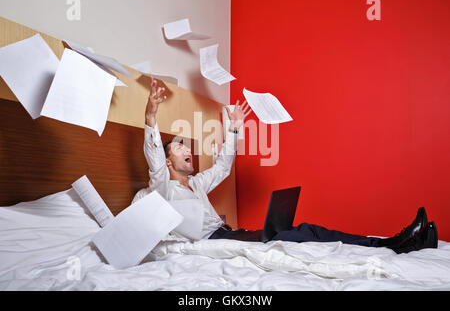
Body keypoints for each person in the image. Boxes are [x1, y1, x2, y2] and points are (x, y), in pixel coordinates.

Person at [132, 77, 438, 254]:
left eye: (187, 144)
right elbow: (155, 162)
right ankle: (394, 246)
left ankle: (392, 243)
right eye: (180, 146)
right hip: (215, 244)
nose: (188, 149)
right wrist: (150, 115)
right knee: (295, 236)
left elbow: (224, 166)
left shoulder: (197, 183)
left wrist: (236, 128)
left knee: (304, 229)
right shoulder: (163, 191)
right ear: (168, 158)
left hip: (233, 233)